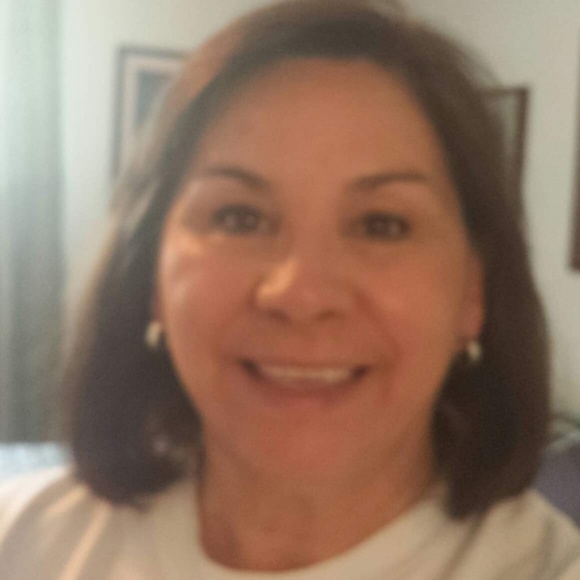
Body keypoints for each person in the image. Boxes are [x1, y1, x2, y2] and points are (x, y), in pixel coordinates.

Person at [1, 0, 580, 578]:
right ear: (152, 276)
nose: (301, 295)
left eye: (381, 224)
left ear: (473, 292)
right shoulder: (21, 539)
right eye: (240, 218)